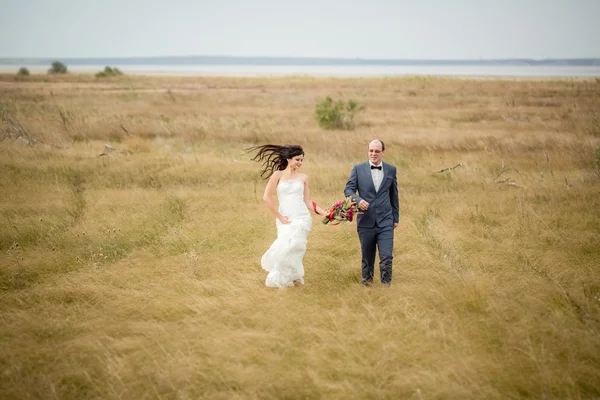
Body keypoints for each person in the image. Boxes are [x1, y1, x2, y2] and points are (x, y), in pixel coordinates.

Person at [248, 144, 327, 288]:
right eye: (297, 159)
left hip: (302, 218)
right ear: (289, 159)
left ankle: (280, 281)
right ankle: (296, 280)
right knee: (285, 248)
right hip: (285, 219)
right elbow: (266, 197)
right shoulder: (277, 175)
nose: (300, 163)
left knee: (296, 246)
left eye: (302, 160)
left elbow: (308, 201)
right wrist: (280, 217)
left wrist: (324, 213)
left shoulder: (303, 177)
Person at [344, 139, 399, 287]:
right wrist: (358, 199)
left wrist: (395, 217)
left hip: (386, 220)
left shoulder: (391, 170)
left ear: (382, 152)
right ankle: (367, 287)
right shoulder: (358, 169)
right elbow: (348, 190)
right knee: (367, 257)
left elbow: (394, 195)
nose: (373, 154)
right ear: (368, 151)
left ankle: (386, 287)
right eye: (371, 151)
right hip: (365, 221)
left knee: (387, 256)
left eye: (377, 151)